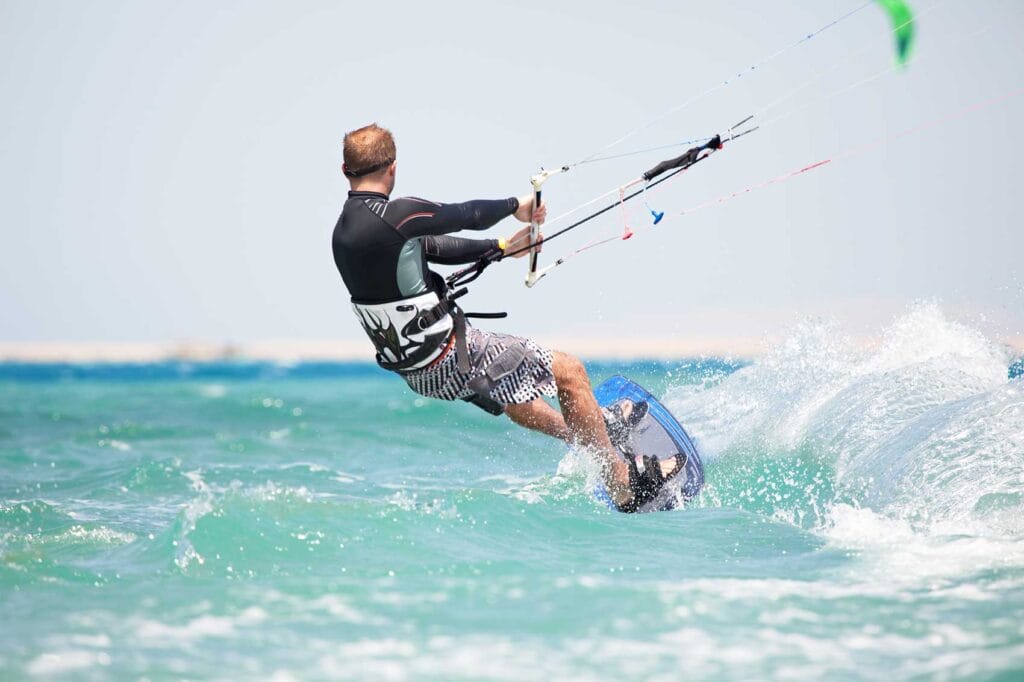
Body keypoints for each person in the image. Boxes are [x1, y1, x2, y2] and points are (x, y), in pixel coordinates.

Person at [330, 123, 684, 512]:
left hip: (419, 373)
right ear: (393, 168)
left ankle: (596, 429)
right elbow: (463, 214)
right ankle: (623, 482)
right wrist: (518, 207)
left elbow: (428, 246)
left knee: (517, 397)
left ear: (345, 171)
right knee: (568, 370)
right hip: (450, 357)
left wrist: (500, 248)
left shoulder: (345, 232)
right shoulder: (397, 215)